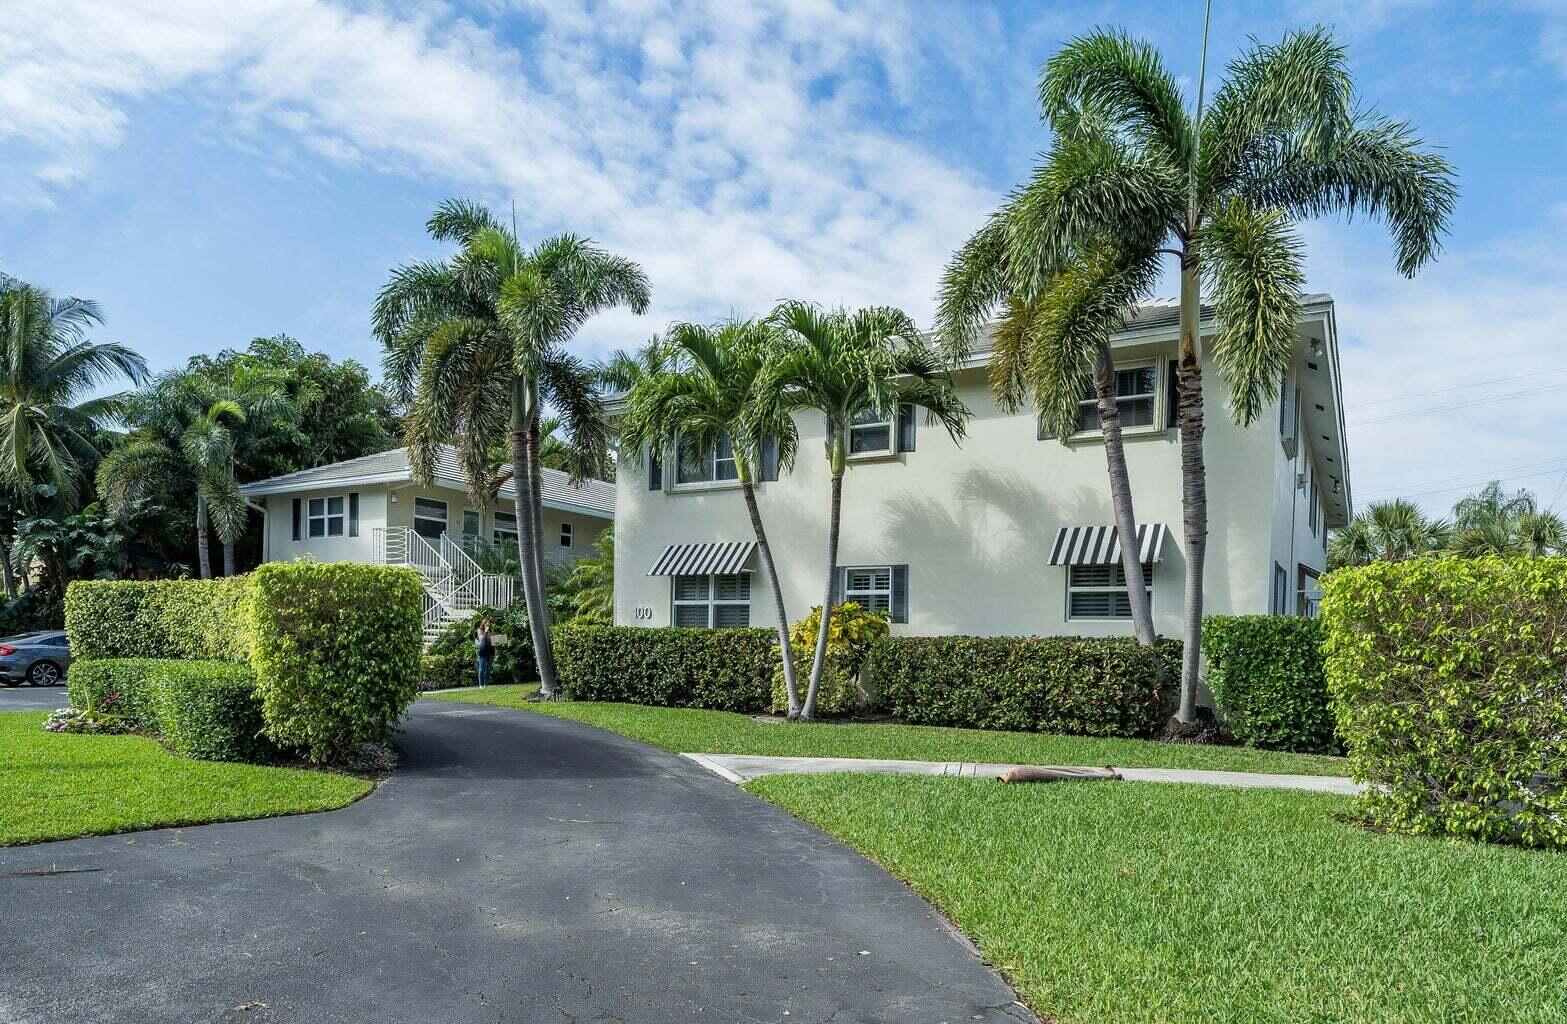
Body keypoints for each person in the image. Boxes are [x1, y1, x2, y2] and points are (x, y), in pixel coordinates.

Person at [475, 618, 495, 688]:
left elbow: (493, 641)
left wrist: (497, 642)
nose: (488, 623)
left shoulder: (491, 631)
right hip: (483, 652)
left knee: (488, 669)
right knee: (481, 669)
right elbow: (481, 639)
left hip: (491, 652)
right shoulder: (479, 630)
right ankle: (481, 685)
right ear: (483, 623)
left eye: (489, 622)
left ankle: (486, 684)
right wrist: (486, 632)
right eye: (486, 622)